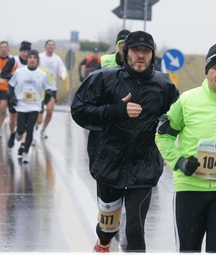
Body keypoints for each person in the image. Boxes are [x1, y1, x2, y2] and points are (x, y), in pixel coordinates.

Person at [71, 30, 179, 253]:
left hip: (144, 165)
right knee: (108, 226)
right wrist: (115, 110)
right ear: (125, 52)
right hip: (109, 163)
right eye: (136, 50)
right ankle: (103, 241)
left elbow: (177, 118)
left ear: (153, 55)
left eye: (146, 51)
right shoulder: (104, 78)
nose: (141, 55)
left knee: (135, 229)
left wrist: (163, 124)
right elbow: (79, 111)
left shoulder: (163, 84)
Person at [155, 42, 216, 253]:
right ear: (207, 71)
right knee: (188, 250)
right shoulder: (187, 101)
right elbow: (162, 137)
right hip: (189, 188)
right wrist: (179, 162)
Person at [8, 50, 52, 164]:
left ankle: (25, 153)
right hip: (21, 105)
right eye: (30, 57)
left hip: (35, 106)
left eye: (34, 57)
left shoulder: (42, 74)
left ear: (37, 60)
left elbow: (48, 88)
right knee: (21, 129)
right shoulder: (19, 72)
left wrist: (48, 94)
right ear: (27, 59)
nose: (32, 59)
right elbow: (11, 85)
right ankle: (18, 132)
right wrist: (12, 97)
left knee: (30, 129)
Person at [0, 41, 32, 149]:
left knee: (24, 119)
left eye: (27, 51)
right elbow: (3, 74)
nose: (25, 53)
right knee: (13, 119)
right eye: (23, 51)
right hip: (13, 94)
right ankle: (13, 134)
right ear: (20, 51)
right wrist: (16, 77)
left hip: (27, 95)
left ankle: (23, 143)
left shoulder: (32, 62)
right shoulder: (14, 60)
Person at [39, 40, 67, 139]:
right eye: (49, 44)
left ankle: (43, 130)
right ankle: (33, 129)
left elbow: (63, 70)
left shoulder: (57, 59)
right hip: (40, 88)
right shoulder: (40, 57)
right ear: (45, 46)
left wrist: (62, 76)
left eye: (52, 45)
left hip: (52, 88)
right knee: (39, 113)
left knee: (50, 111)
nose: (51, 46)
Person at [0, 41, 13, 139]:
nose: (3, 49)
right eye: (2, 47)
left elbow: (14, 74)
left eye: (5, 47)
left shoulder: (11, 61)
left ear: (8, 48)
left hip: (5, 89)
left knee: (3, 110)